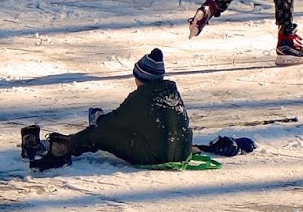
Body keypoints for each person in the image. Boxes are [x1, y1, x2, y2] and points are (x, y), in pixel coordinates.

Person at [21, 49, 194, 171]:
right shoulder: (171, 92)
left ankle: (63, 147)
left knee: (101, 134)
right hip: (182, 152)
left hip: (155, 156)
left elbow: (112, 123)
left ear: (140, 77)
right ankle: (65, 144)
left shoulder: (142, 97)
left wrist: (98, 122)